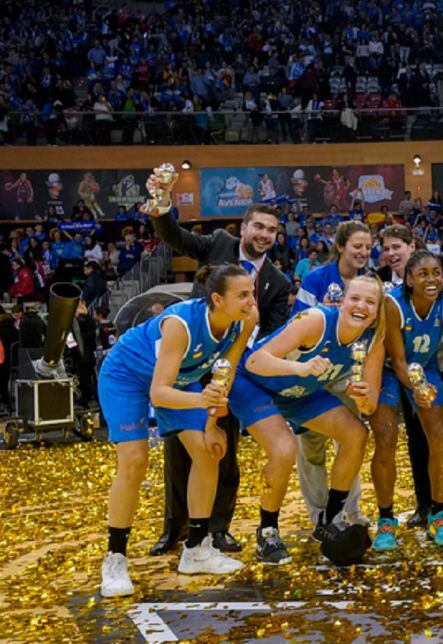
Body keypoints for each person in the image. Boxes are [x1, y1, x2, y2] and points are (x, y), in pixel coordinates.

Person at [146, 170, 292, 557]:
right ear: (243, 227)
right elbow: (175, 236)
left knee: (222, 448)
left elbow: (272, 337)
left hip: (232, 371)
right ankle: (174, 528)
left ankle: (219, 527)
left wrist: (241, 366)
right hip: (189, 362)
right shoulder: (219, 244)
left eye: (271, 230)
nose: (263, 235)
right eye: (258, 226)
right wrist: (162, 204)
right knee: (179, 447)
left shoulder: (277, 282)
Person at [99, 265, 258, 598]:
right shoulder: (180, 324)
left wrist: (212, 425)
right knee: (134, 460)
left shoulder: (246, 320)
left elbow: (223, 376)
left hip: (180, 381)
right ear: (217, 298)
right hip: (127, 377)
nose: (251, 301)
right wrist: (202, 400)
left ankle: (196, 549)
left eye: (252, 293)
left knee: (209, 451)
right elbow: (159, 393)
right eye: (243, 295)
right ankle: (115, 558)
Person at [227, 276, 385, 563]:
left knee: (356, 434)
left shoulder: (373, 341)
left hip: (298, 392)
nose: (361, 306)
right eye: (355, 298)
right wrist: (299, 369)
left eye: (370, 302)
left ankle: (330, 517)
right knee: (284, 449)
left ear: (376, 313)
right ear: (342, 302)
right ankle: (267, 531)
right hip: (255, 384)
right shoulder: (315, 320)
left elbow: (370, 405)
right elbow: (254, 361)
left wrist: (361, 395)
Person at [378, 250, 443, 547]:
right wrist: (417, 388)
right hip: (389, 370)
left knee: (440, 436)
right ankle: (385, 519)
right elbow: (398, 359)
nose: (431, 279)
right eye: (423, 274)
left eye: (435, 272)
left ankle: (438, 514)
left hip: (427, 367)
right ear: (409, 279)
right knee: (385, 437)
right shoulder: (392, 305)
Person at [292, 221, 376, 528]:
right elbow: (297, 324)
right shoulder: (315, 279)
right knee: (311, 448)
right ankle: (318, 515)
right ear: (340, 246)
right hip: (312, 375)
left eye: (367, 247)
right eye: (357, 246)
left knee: (349, 442)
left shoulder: (372, 280)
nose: (363, 252)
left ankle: (350, 510)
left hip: (348, 375)